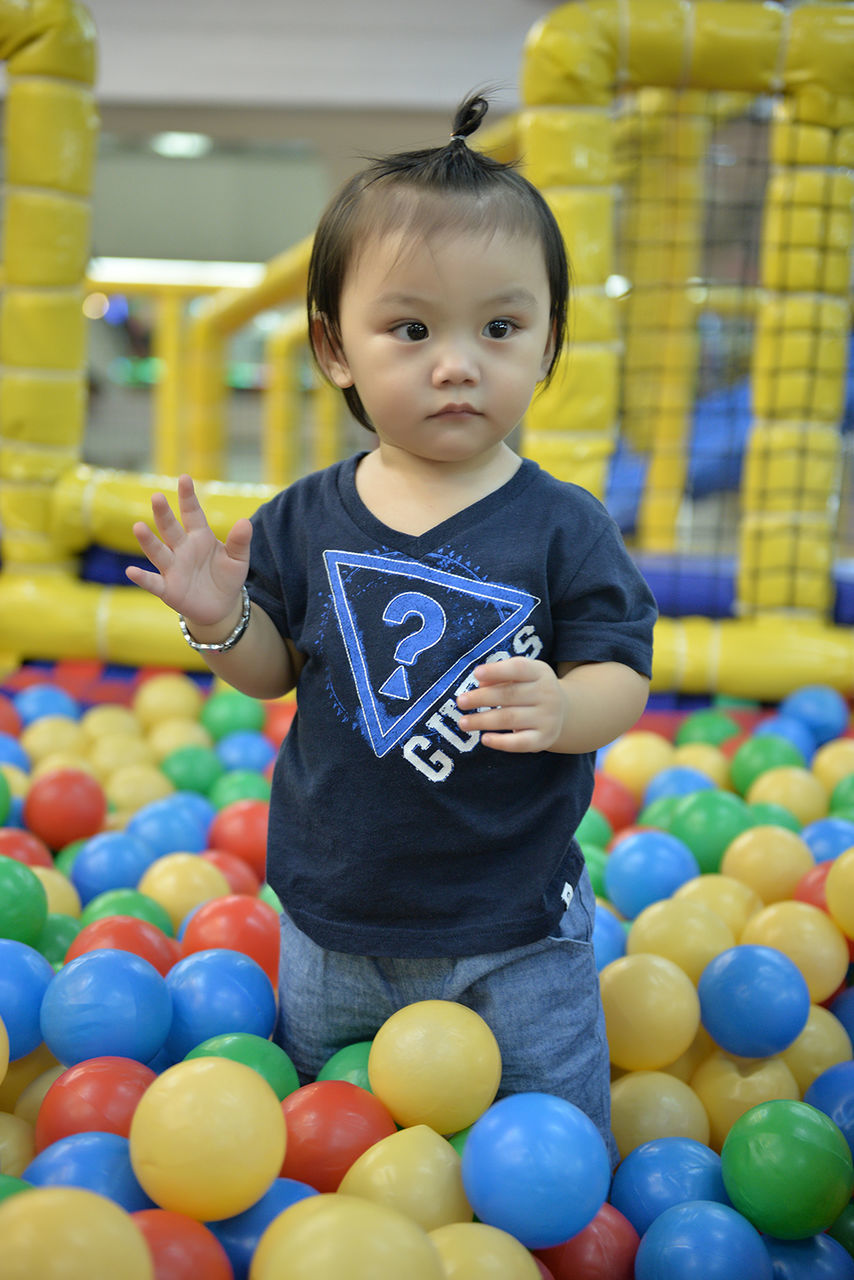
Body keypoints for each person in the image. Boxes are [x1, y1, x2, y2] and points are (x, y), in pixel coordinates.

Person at [127, 92, 657, 1165]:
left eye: (498, 328)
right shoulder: (304, 516)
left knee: (554, 1157)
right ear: (334, 348)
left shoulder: (562, 525)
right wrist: (223, 620)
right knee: (336, 1157)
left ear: (547, 338)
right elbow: (271, 673)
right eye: (411, 329)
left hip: (516, 927)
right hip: (337, 918)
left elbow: (621, 672)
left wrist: (563, 705)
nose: (456, 363)